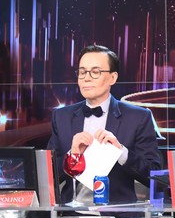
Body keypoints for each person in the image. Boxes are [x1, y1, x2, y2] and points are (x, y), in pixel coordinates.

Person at [48, 44, 162, 204]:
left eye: (95, 72)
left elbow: (155, 177)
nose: (86, 78)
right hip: (70, 213)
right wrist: (72, 156)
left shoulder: (138, 117)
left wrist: (121, 152)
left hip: (118, 213)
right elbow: (46, 178)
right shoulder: (62, 117)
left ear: (112, 78)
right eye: (82, 72)